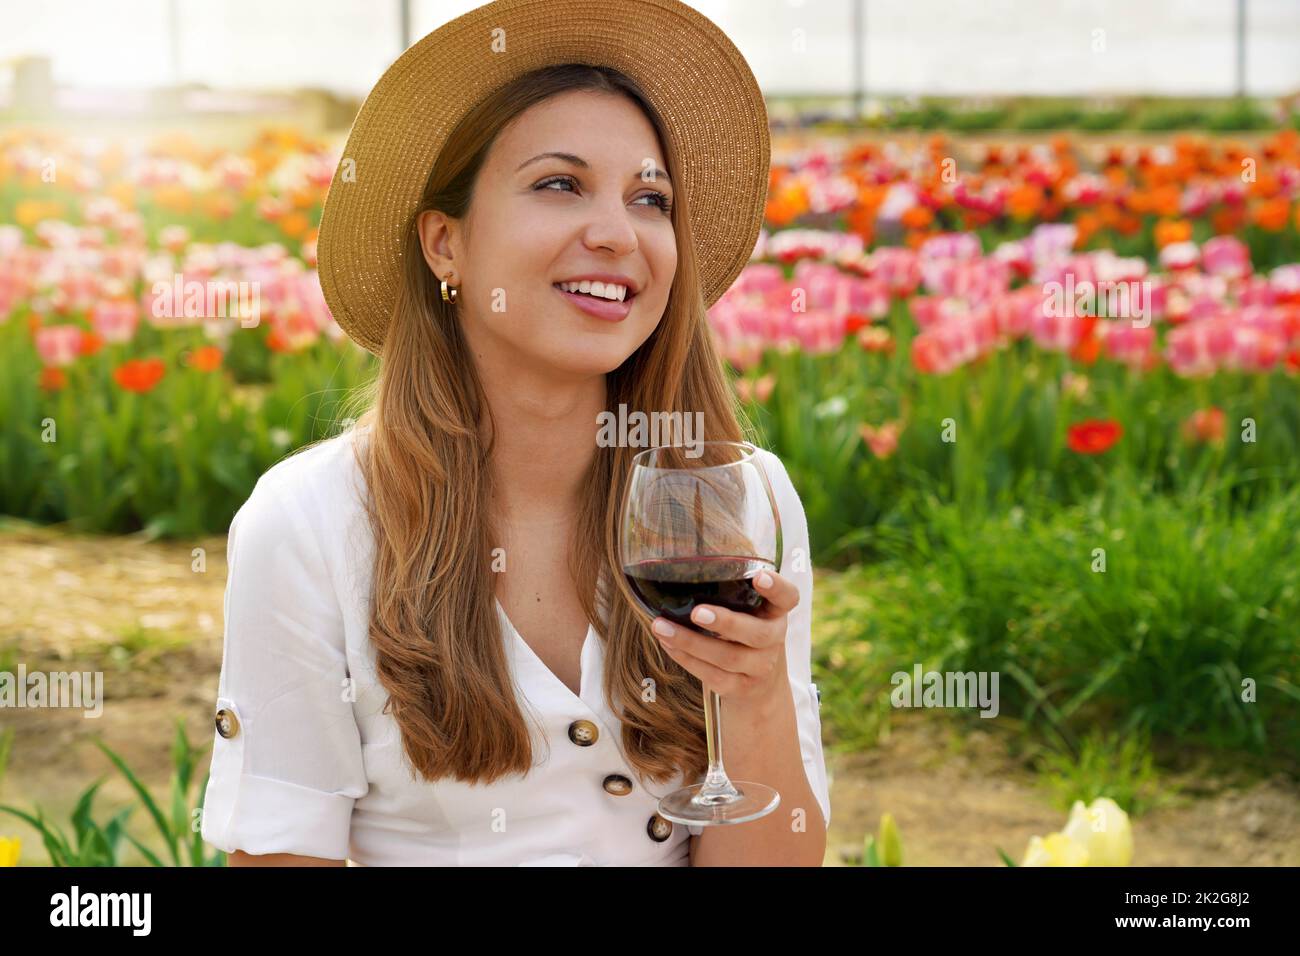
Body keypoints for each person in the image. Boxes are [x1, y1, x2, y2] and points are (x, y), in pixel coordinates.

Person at [200, 0, 830, 867]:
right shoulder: (311, 521)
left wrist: (754, 705)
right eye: (559, 184)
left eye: (650, 199)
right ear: (444, 243)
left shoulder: (740, 500)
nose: (616, 233)